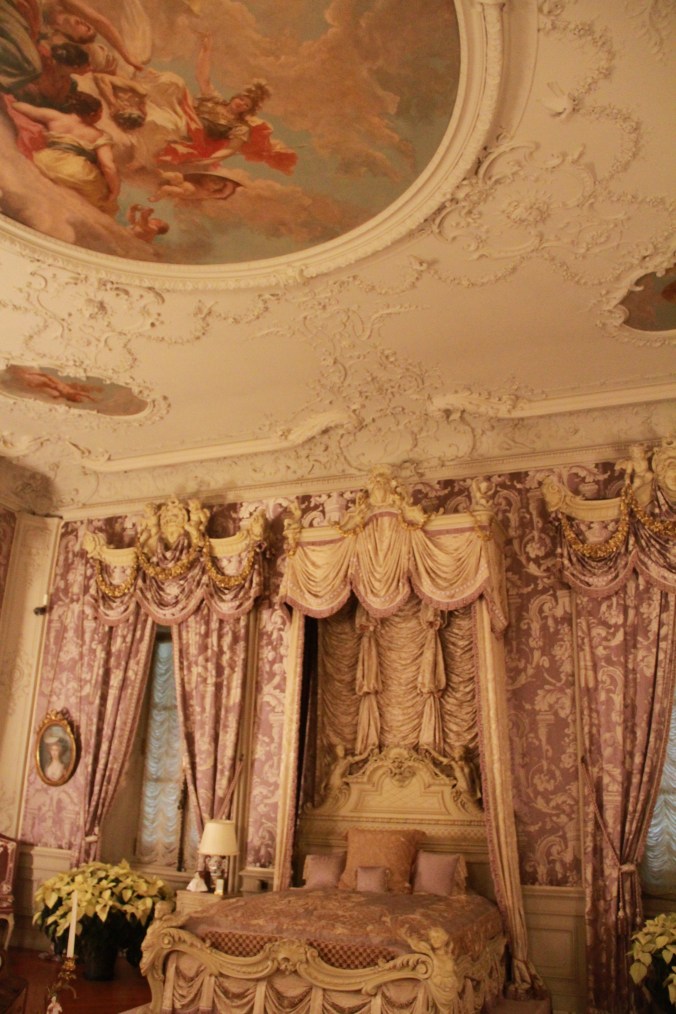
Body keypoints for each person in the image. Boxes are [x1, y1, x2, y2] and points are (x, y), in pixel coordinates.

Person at [11, 92, 120, 212]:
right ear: (92, 114)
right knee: (105, 201)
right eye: (100, 113)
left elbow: (18, 106)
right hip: (76, 173)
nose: (100, 117)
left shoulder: (56, 117)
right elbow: (108, 166)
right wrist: (115, 191)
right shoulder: (99, 135)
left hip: (46, 161)